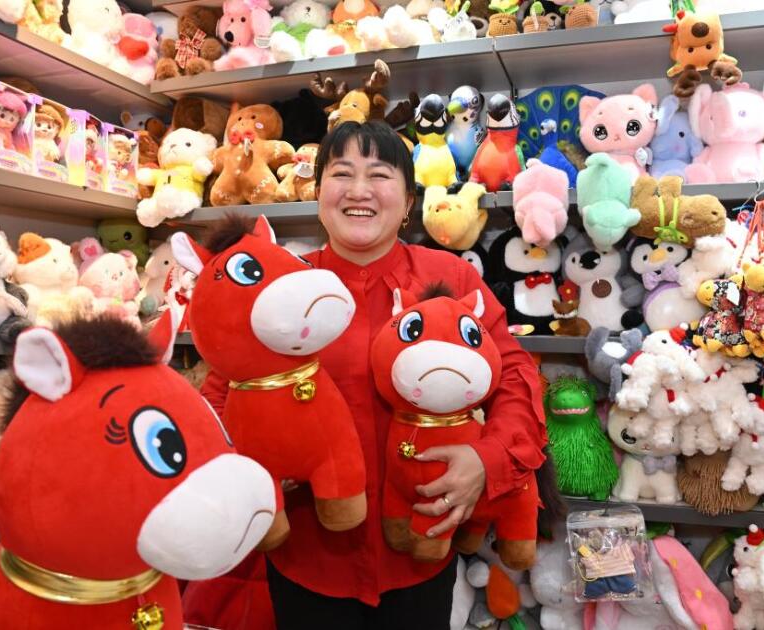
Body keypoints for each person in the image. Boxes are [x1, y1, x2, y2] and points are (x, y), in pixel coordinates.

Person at [199, 120, 547, 630]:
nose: (359, 190)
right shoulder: (279, 285)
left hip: (421, 550)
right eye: (342, 173)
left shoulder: (450, 278)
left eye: (379, 175)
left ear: (408, 202)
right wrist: (242, 464)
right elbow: (218, 393)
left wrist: (486, 458)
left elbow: (515, 377)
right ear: (319, 194)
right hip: (306, 556)